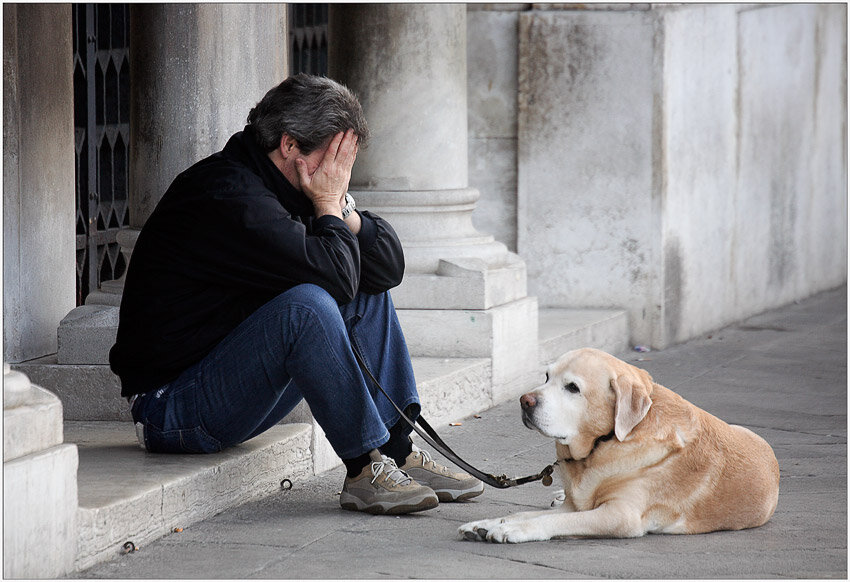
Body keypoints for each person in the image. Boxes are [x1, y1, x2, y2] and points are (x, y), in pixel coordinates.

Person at [109, 74, 483, 515]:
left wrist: (344, 211)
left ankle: (397, 451)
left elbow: (387, 270)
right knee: (308, 306)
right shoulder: (230, 196)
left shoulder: (290, 184)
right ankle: (365, 469)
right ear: (289, 145)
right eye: (333, 159)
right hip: (170, 408)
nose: (338, 174)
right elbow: (335, 281)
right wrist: (328, 206)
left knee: (364, 287)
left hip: (225, 381)